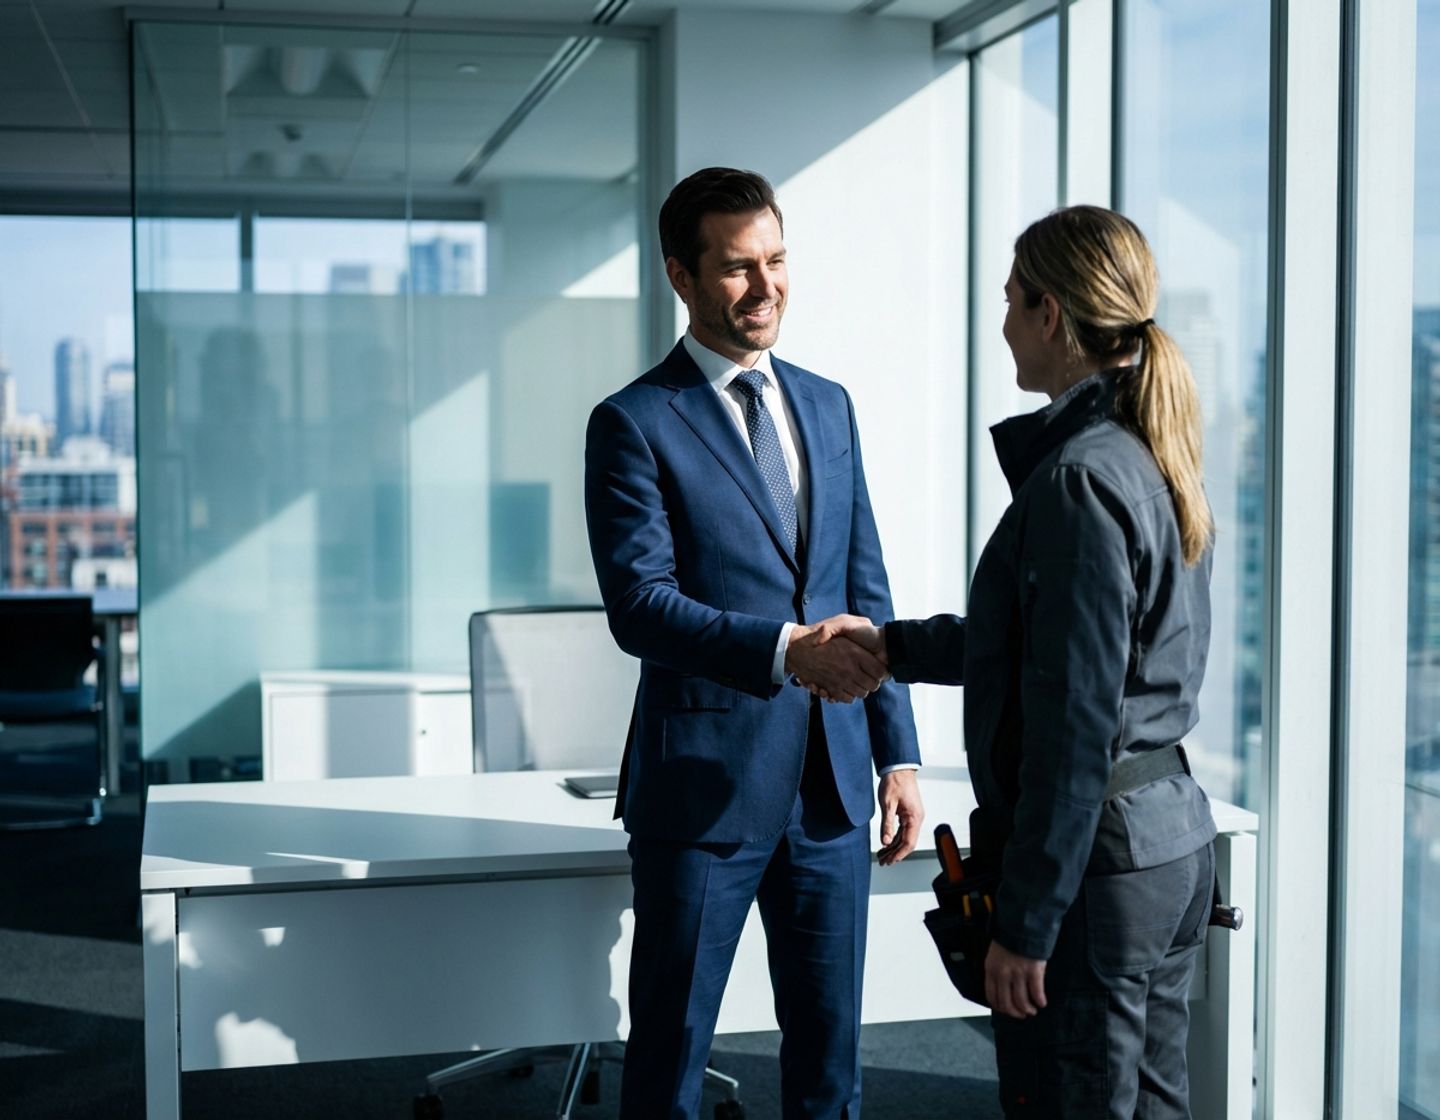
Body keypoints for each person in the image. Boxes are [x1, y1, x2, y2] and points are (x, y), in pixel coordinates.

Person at [813, 205, 1218, 1118]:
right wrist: (894, 645)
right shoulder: (1153, 454)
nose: (1001, 325)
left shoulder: (1078, 479)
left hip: (1097, 872)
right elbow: (1049, 648)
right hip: (1165, 847)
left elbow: (1074, 727)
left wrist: (1029, 923)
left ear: (1050, 313)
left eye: (1009, 301)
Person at [583, 166, 925, 1119]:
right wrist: (785, 651)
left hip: (832, 790)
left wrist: (897, 753)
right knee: (671, 1061)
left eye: (777, 260)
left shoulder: (828, 404)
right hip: (704, 791)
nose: (766, 286)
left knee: (831, 1063)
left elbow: (864, 590)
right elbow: (639, 606)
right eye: (738, 267)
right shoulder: (633, 422)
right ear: (681, 276)